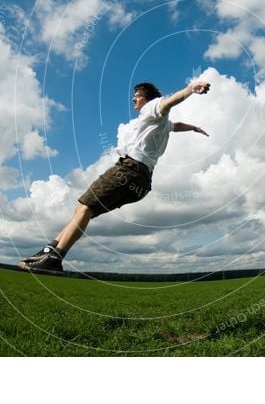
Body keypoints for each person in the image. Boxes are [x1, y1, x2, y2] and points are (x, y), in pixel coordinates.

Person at [19, 80, 211, 275]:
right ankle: (48, 252)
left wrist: (190, 89)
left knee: (84, 207)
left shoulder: (151, 108)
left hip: (130, 170)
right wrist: (193, 127)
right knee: (84, 210)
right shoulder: (158, 123)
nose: (133, 98)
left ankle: (54, 258)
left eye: (137, 95)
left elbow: (167, 103)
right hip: (142, 183)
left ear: (147, 98)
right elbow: (175, 126)